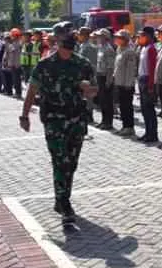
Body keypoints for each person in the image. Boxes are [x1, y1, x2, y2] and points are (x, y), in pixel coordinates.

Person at [19, 23, 95, 225]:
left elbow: (94, 91)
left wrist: (89, 90)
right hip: (54, 120)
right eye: (65, 37)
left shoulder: (83, 64)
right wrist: (24, 116)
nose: (69, 40)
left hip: (77, 120)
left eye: (71, 36)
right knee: (60, 161)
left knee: (72, 163)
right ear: (57, 41)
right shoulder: (45, 65)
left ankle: (60, 199)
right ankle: (64, 202)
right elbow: (32, 91)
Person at [112, 30, 138, 136]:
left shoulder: (129, 52)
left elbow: (131, 70)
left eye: (119, 37)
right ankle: (125, 126)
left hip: (126, 85)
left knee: (127, 106)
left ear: (125, 40)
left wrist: (128, 84)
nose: (116, 39)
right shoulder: (119, 50)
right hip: (119, 82)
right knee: (122, 106)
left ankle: (129, 127)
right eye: (116, 37)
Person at [136, 26, 159, 143]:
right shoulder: (143, 48)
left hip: (147, 80)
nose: (141, 37)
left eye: (143, 35)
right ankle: (147, 132)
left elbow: (152, 68)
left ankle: (153, 134)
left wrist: (151, 85)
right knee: (144, 109)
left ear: (149, 36)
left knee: (149, 109)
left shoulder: (151, 49)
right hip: (141, 79)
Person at [94, 28, 116, 130]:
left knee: (107, 101)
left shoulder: (108, 49)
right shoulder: (100, 48)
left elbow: (110, 67)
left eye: (100, 36)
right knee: (102, 100)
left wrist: (108, 80)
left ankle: (108, 122)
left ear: (105, 37)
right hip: (99, 75)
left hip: (105, 76)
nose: (98, 38)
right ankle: (104, 120)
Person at [77, 27, 99, 128]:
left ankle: (89, 115)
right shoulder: (83, 46)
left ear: (85, 35)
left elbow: (90, 63)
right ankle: (87, 113)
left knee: (88, 96)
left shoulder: (89, 47)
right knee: (85, 96)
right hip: (83, 74)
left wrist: (88, 75)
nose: (78, 36)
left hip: (87, 74)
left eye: (80, 34)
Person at [2, 29, 23, 98]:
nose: (11, 37)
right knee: (14, 80)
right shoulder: (13, 44)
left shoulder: (19, 44)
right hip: (12, 64)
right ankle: (17, 93)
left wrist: (18, 64)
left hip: (17, 64)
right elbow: (10, 54)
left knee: (17, 80)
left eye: (12, 35)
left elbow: (18, 55)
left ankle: (18, 93)